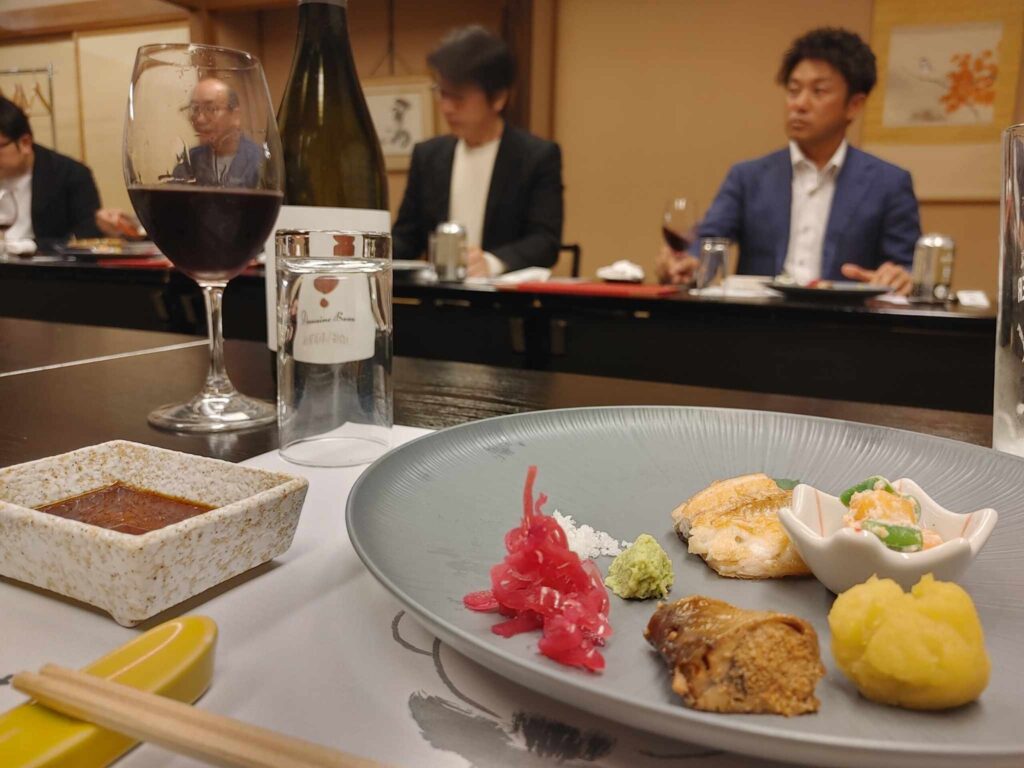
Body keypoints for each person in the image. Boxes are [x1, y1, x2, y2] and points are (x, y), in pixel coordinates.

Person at [658, 28, 920, 295]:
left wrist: (900, 276)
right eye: (793, 91)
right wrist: (686, 263)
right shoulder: (748, 176)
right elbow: (708, 241)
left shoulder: (889, 183)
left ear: (854, 105)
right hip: (762, 317)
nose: (799, 104)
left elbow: (906, 267)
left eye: (818, 91)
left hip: (845, 318)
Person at [392, 25, 563, 277]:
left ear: (498, 98)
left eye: (458, 97)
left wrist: (491, 263)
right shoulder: (427, 156)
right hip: (439, 297)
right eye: (442, 93)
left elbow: (544, 242)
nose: (446, 107)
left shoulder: (536, 156)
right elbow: (407, 238)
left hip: (500, 296)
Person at [0, 96, 104, 247]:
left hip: (44, 260)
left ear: (25, 143)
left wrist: (29, 246)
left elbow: (88, 235)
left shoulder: (71, 175)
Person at [173, 76, 263, 188]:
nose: (199, 119)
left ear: (235, 115)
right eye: (195, 109)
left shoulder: (260, 162)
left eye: (211, 109)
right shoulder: (190, 161)